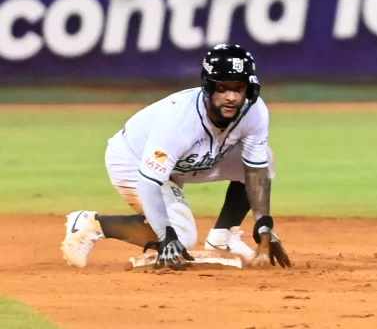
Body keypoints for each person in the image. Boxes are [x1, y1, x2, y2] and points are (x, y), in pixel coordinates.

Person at [61, 44, 290, 270]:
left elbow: (255, 170)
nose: (231, 96)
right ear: (209, 87)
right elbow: (149, 182)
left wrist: (263, 225)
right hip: (134, 160)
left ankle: (223, 237)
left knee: (264, 159)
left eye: (238, 88)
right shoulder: (180, 121)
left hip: (188, 159)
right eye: (222, 88)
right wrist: (166, 235)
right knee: (181, 235)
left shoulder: (255, 112)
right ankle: (92, 224)